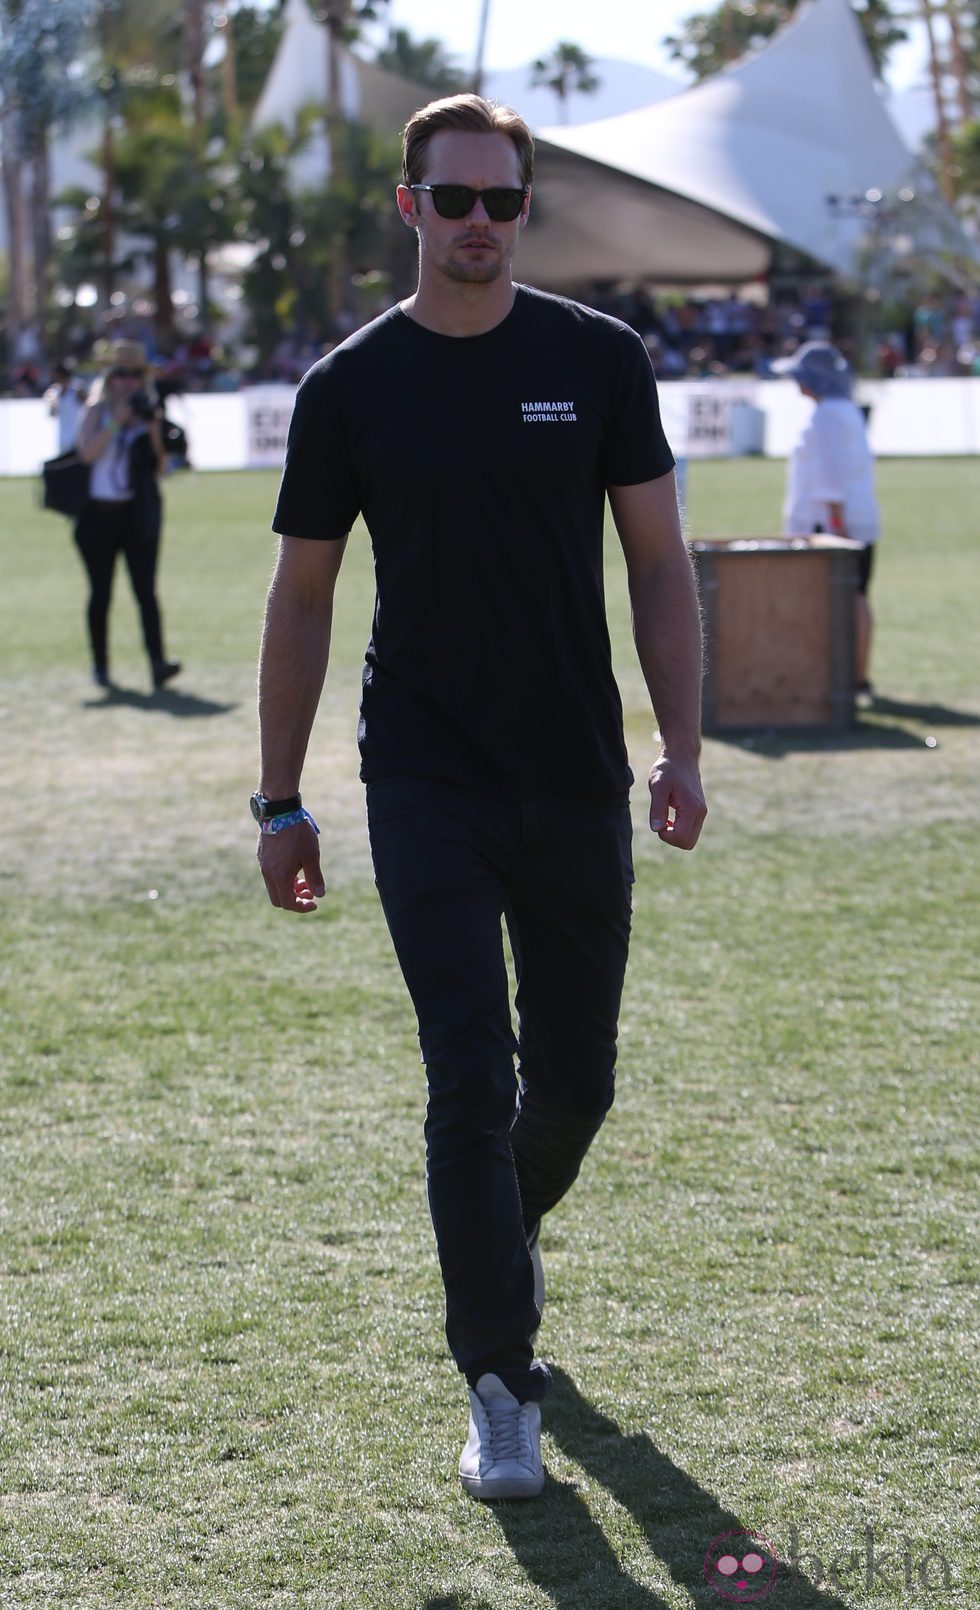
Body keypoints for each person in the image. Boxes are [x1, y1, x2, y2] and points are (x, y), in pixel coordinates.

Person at [255, 94, 706, 1502]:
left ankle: (493, 1245)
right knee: (472, 1071)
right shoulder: (351, 386)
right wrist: (279, 798)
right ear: (409, 206)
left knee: (576, 1082)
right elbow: (304, 591)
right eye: (452, 200)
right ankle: (499, 1378)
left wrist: (679, 744)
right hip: (425, 773)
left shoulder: (599, 358)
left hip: (574, 773)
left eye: (501, 203)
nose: (476, 224)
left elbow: (660, 564)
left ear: (524, 208)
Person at [774, 340, 880, 704]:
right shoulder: (844, 410)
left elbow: (831, 479)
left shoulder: (827, 416)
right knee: (856, 596)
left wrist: (836, 529)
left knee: (843, 599)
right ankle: (854, 676)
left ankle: (844, 677)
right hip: (850, 520)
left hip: (833, 524)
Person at [74, 340, 181, 690]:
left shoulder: (150, 412)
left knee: (146, 592)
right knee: (100, 592)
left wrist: (151, 426)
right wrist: (117, 423)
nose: (126, 382)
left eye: (134, 375)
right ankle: (100, 665)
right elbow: (87, 454)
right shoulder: (95, 409)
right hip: (98, 517)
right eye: (120, 374)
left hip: (137, 516)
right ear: (109, 376)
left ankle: (157, 663)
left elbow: (161, 465)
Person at [44, 359, 87, 452]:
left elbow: (87, 407)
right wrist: (52, 405)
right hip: (63, 437)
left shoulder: (77, 387)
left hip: (78, 436)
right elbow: (52, 414)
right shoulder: (53, 392)